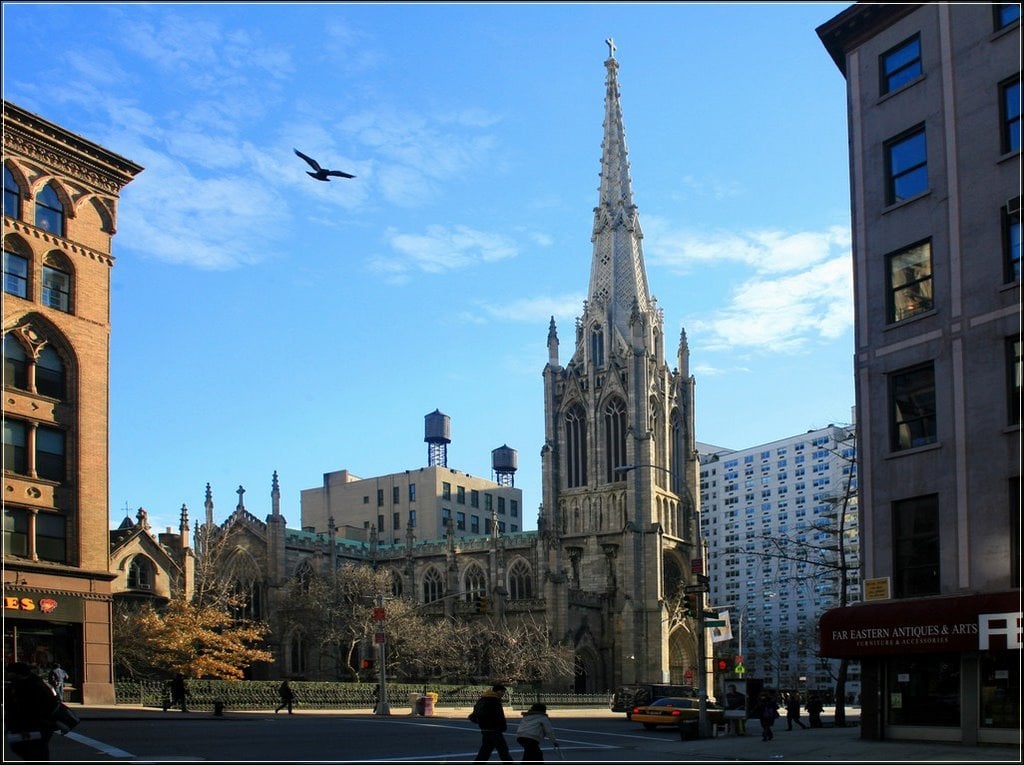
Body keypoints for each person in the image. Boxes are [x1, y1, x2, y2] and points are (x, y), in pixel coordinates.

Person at [4, 662, 57, 761]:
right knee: (35, 753)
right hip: (38, 728)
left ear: (17, 673)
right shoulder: (35, 683)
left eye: (9, 673)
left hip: (33, 728)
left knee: (33, 753)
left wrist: (22, 727)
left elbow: (25, 709)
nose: (7, 675)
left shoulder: (26, 686)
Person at [470, 683, 512, 761]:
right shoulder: (494, 701)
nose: (503, 694)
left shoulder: (482, 699)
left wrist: (481, 722)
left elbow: (473, 715)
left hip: (485, 730)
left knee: (485, 751)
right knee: (503, 751)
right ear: (497, 691)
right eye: (502, 692)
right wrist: (503, 726)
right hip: (495, 730)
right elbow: (499, 715)